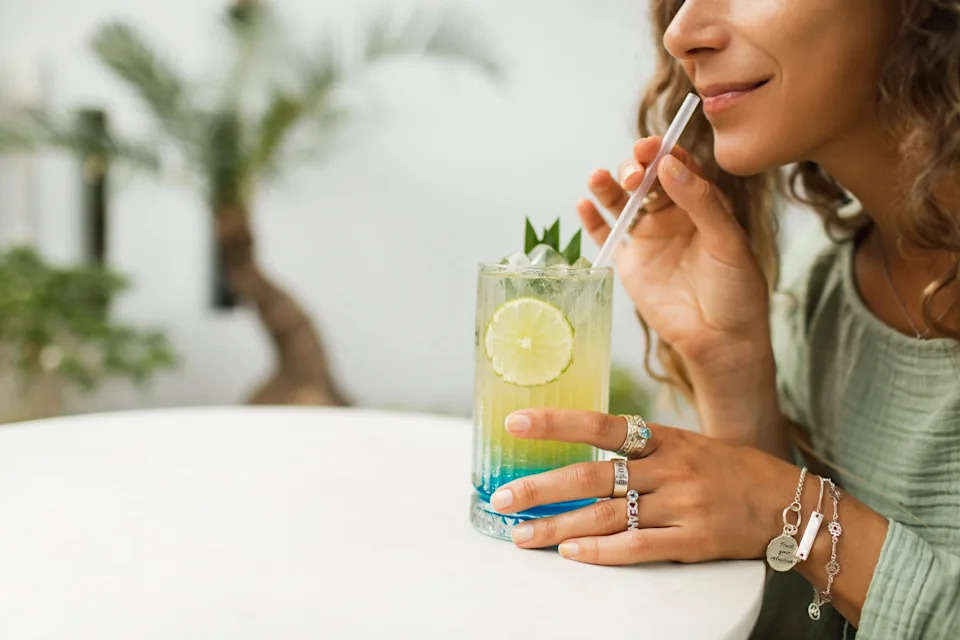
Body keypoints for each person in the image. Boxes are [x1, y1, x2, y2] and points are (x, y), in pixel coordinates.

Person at [486, 1, 960, 637]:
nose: (681, 34)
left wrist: (794, 510)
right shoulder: (824, 284)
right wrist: (730, 364)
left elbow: (796, 528)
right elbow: (805, 626)